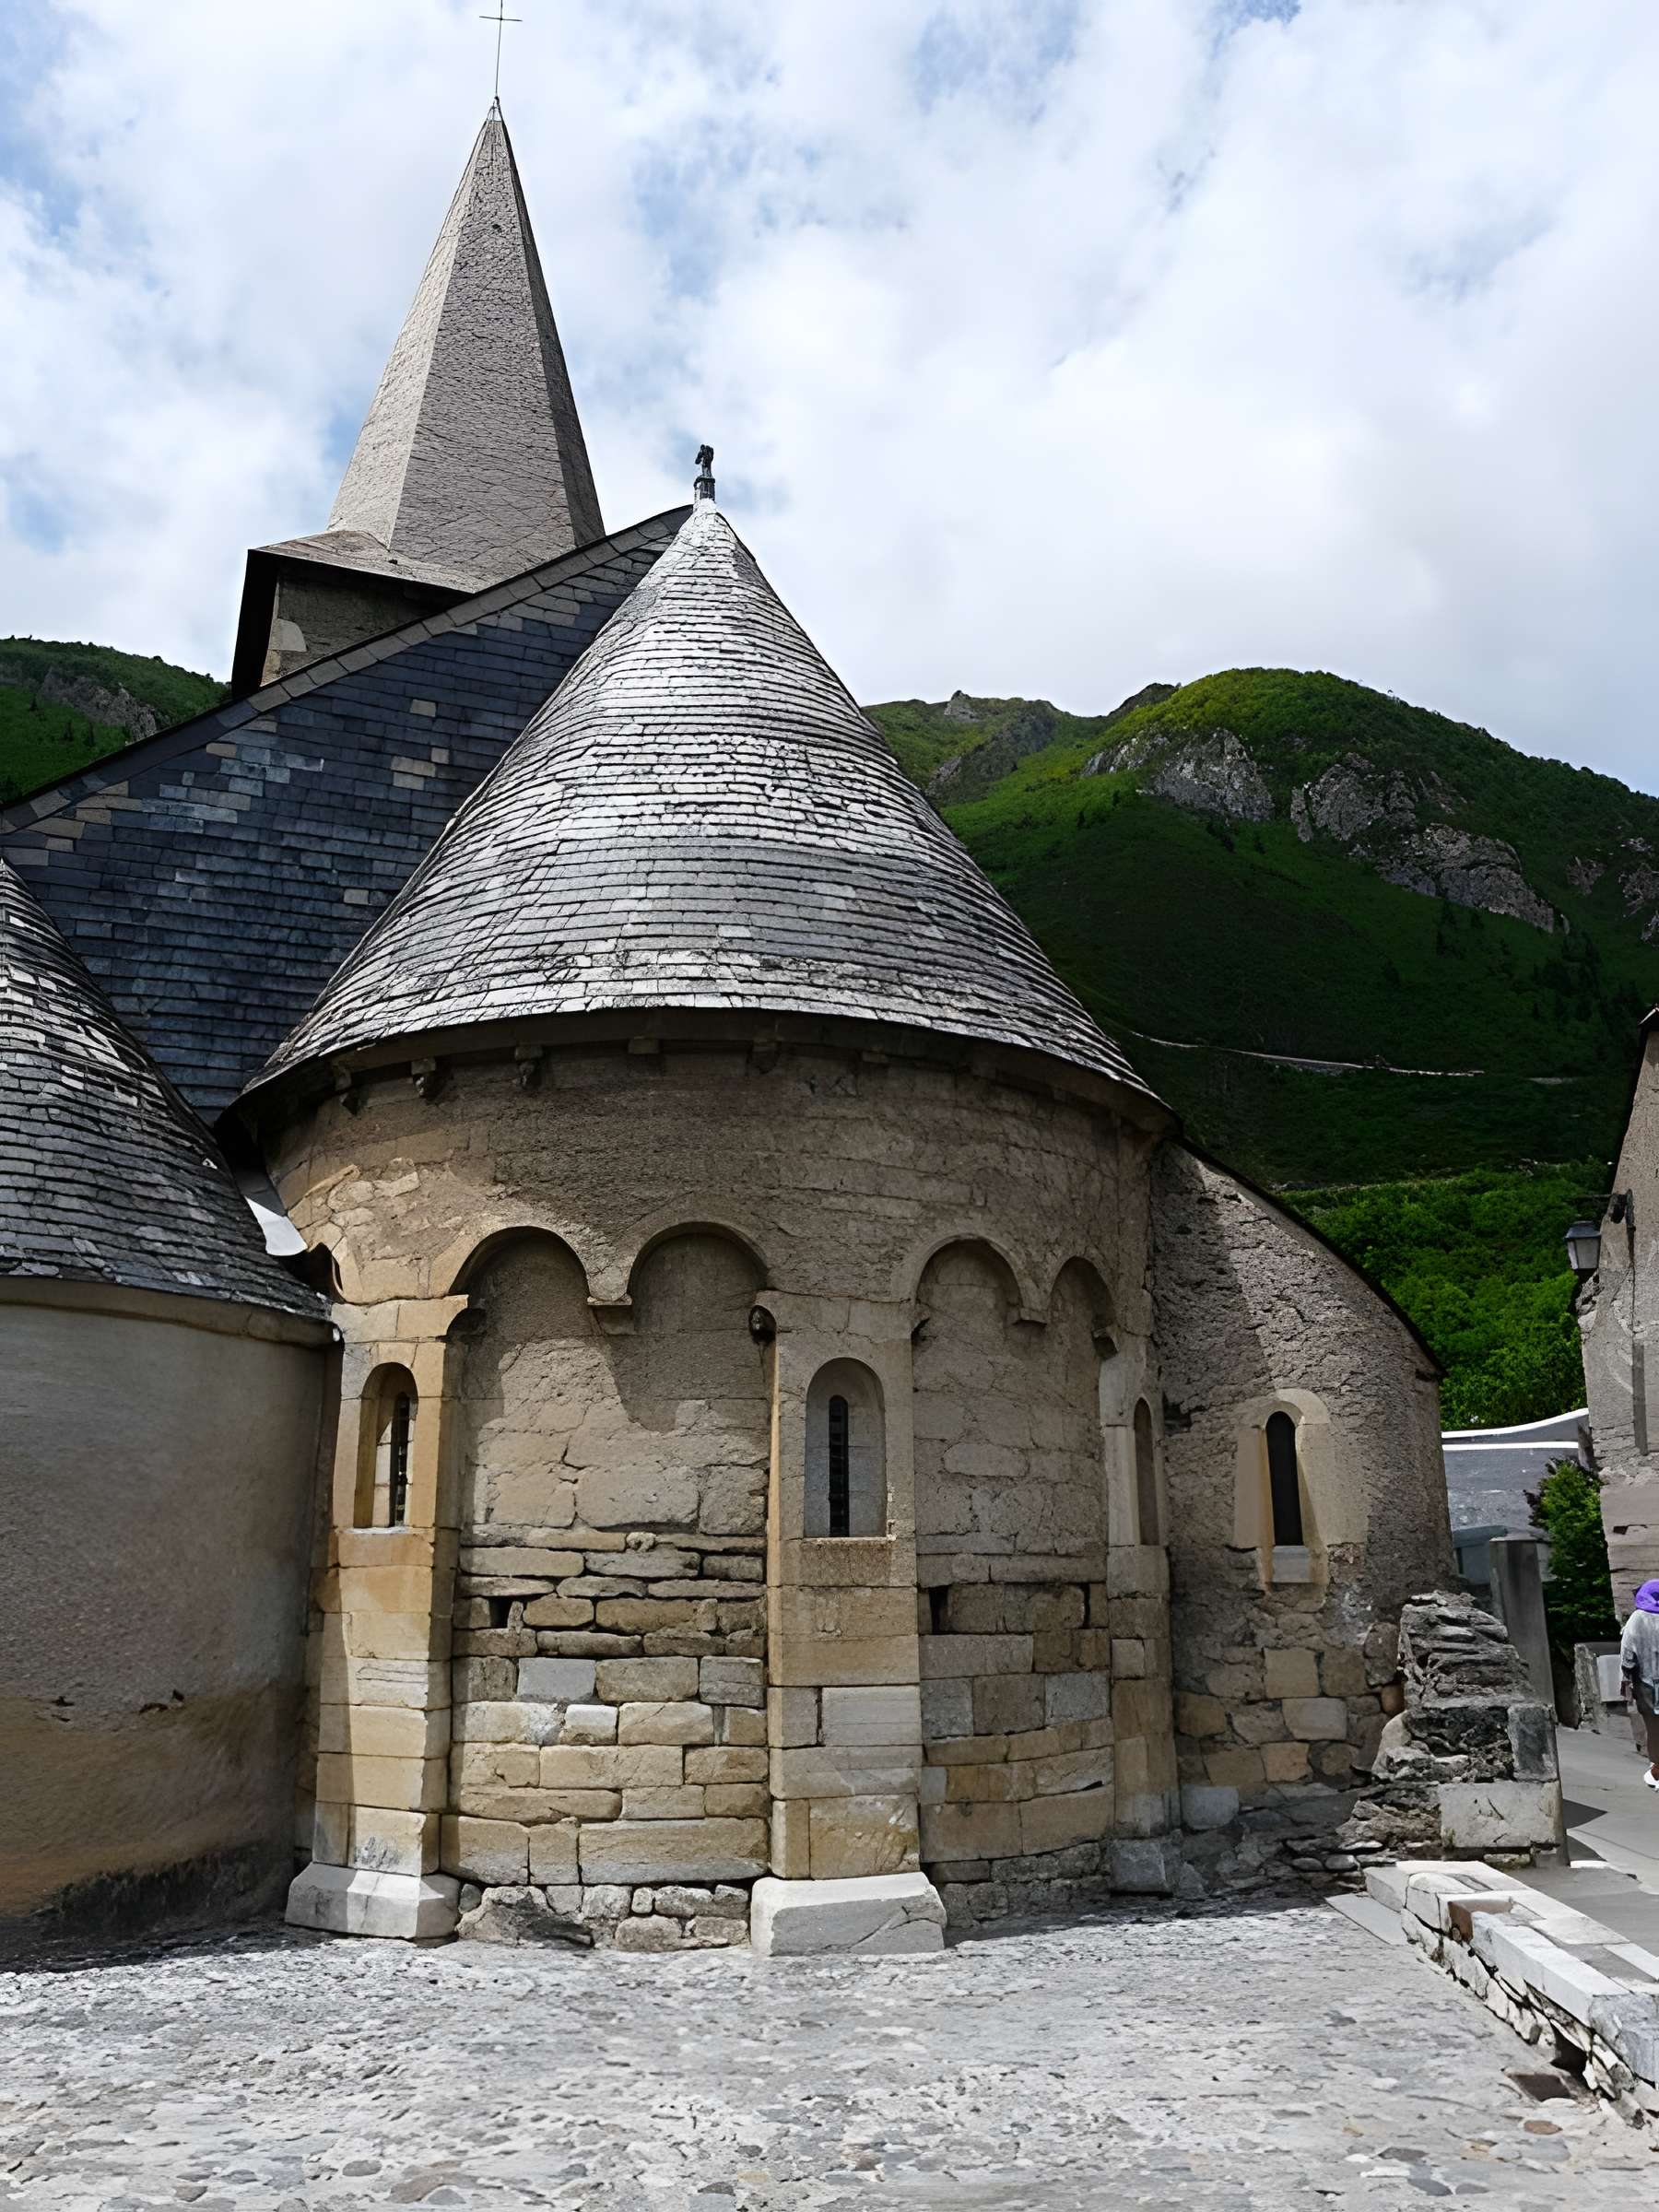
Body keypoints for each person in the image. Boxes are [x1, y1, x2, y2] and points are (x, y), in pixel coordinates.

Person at [1621, 1580, 1659, 1791]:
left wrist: (1626, 1680)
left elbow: (1627, 1656)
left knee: (1654, 1728)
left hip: (1647, 1684)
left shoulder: (1637, 1620)